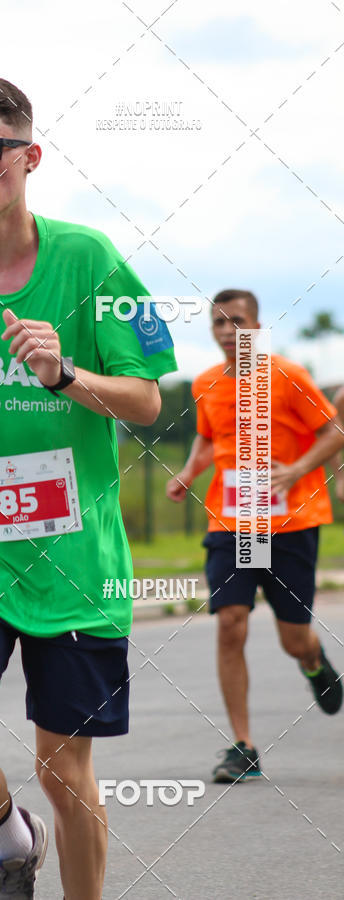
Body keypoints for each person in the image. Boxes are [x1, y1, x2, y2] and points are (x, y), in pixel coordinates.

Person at [0, 76, 177, 899]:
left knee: (62, 768)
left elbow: (147, 400)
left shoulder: (89, 261)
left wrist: (65, 374)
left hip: (77, 564)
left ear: (30, 156)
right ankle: (15, 846)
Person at [166, 289, 344, 784]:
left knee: (294, 640)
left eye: (238, 321)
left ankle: (313, 661)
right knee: (231, 622)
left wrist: (297, 470)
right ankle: (243, 747)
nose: (228, 331)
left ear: (257, 327)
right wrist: (189, 471)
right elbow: (209, 436)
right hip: (233, 522)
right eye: (219, 322)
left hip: (290, 525)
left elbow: (333, 431)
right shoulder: (205, 383)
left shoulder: (289, 376)